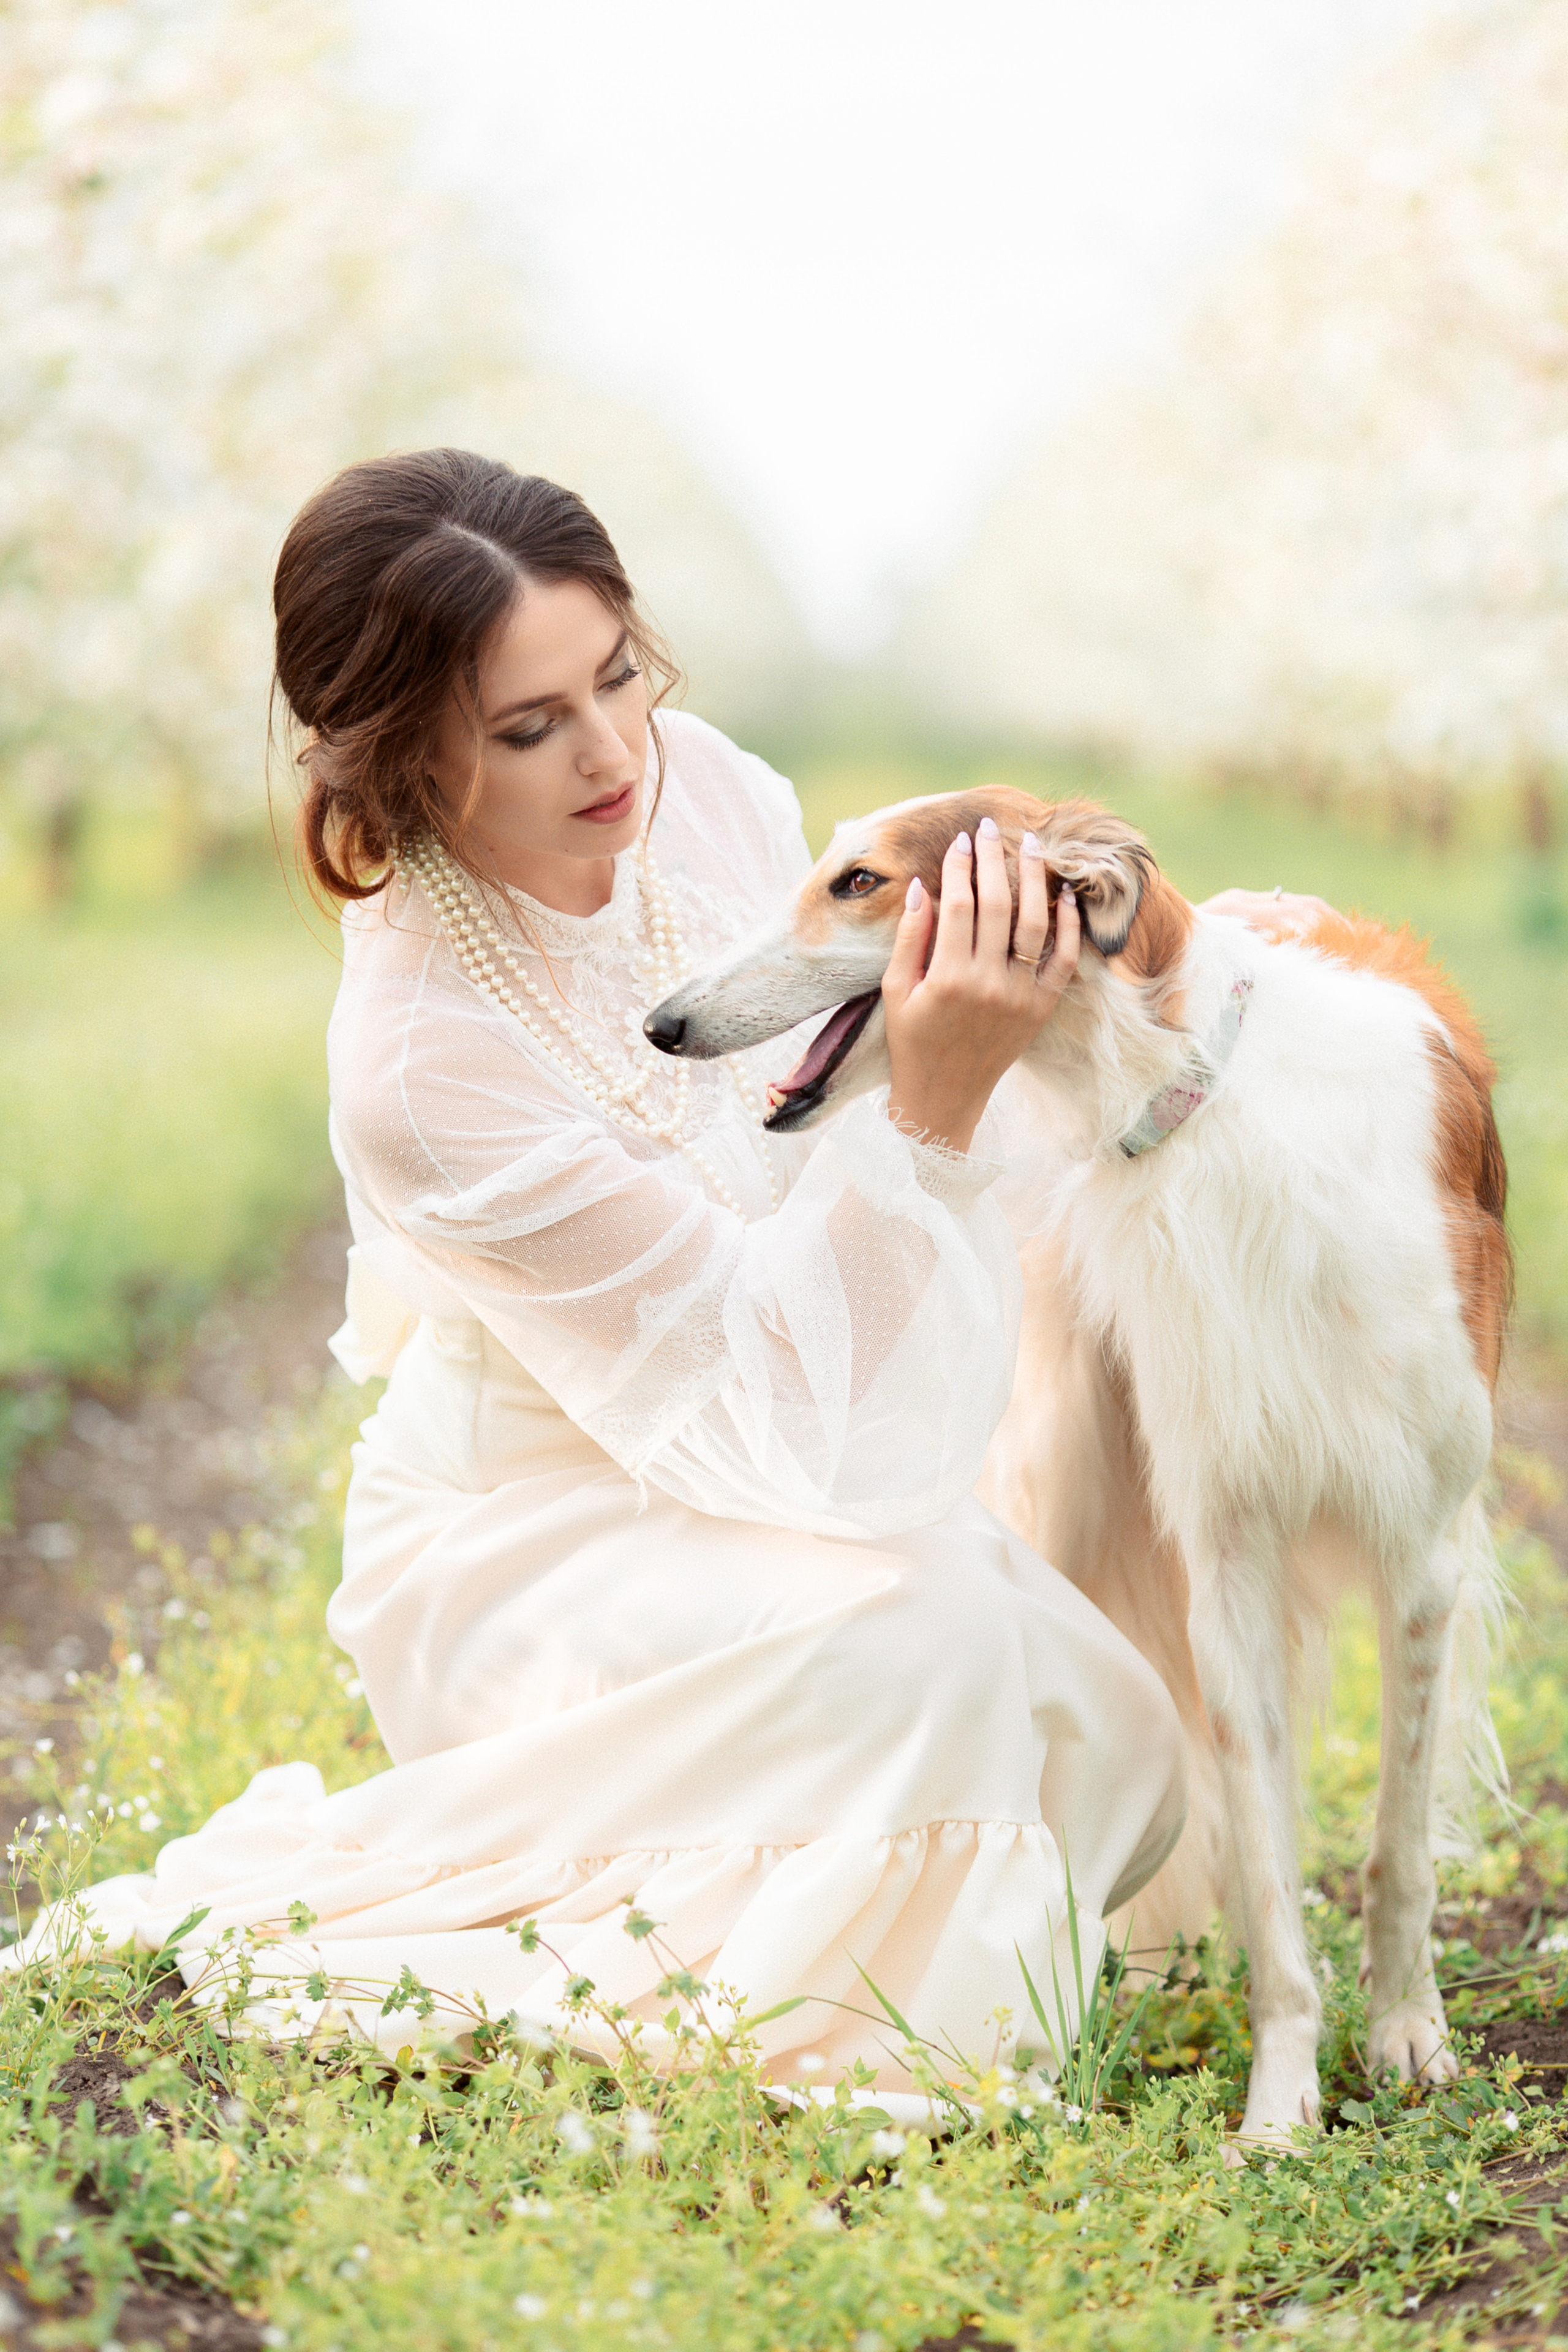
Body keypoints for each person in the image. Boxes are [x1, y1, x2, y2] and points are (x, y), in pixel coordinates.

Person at [13, 452, 1311, 2101]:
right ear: (401, 758)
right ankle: (724, 1937)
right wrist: (930, 1111)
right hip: (547, 1523)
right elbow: (796, 1436)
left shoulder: (707, 791)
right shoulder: (419, 1065)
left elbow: (865, 1122)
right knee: (930, 1653)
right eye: (528, 728)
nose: (616, 753)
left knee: (1096, 1712)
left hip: (778, 1433)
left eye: (619, 674)